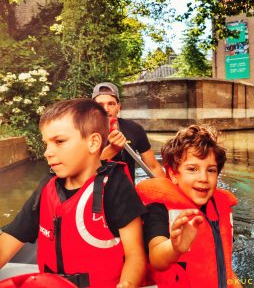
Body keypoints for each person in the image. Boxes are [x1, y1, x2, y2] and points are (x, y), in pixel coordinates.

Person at [0, 99, 147, 288]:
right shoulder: (47, 188)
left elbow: (135, 255)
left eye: (59, 141)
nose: (47, 152)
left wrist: (126, 284)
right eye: (46, 143)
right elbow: (9, 241)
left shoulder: (115, 187)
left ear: (93, 142)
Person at [136, 124, 242, 288]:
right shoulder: (159, 209)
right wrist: (174, 247)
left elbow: (225, 263)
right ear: (173, 174)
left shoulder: (220, 208)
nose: (203, 178)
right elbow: (157, 258)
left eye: (211, 170)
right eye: (192, 169)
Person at [92, 82, 165, 182]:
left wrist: (169, 190)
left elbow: (153, 167)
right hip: (96, 193)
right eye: (100, 105)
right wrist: (112, 149)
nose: (106, 109)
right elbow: (84, 170)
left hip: (127, 192)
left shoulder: (134, 129)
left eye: (111, 104)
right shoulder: (83, 132)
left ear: (119, 107)